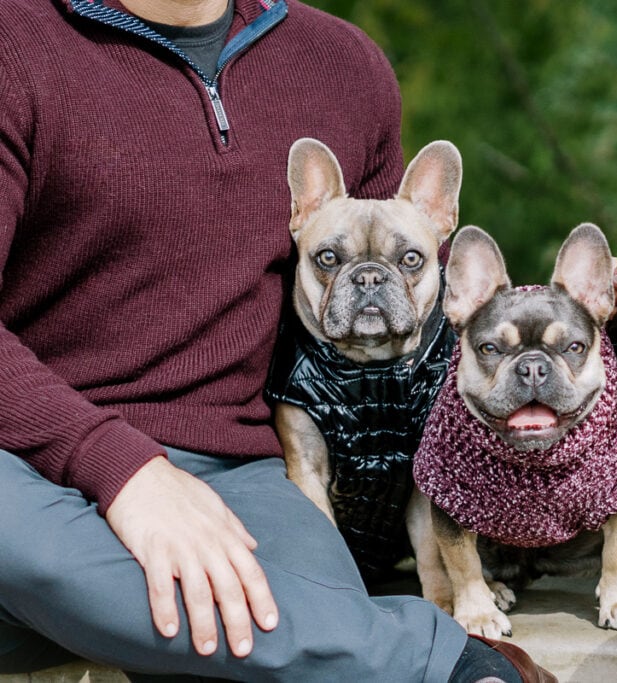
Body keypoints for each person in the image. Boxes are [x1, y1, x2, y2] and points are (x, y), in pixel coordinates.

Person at [0, 1, 554, 681]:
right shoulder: (14, 43)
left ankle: (72, 614)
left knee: (307, 602)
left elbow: (398, 313)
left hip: (244, 469)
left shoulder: (344, 65)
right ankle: (439, 661)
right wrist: (125, 472)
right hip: (29, 455)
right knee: (31, 547)